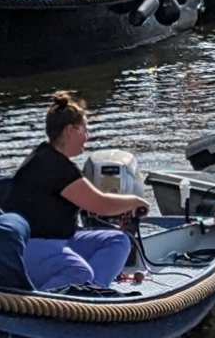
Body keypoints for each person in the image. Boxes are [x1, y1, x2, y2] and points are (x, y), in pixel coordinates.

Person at [9, 93, 143, 290]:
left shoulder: (44, 155)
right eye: (84, 130)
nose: (87, 137)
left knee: (118, 240)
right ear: (70, 130)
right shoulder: (56, 167)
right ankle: (56, 301)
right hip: (33, 248)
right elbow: (102, 205)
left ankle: (92, 291)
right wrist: (135, 201)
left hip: (59, 240)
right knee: (80, 273)